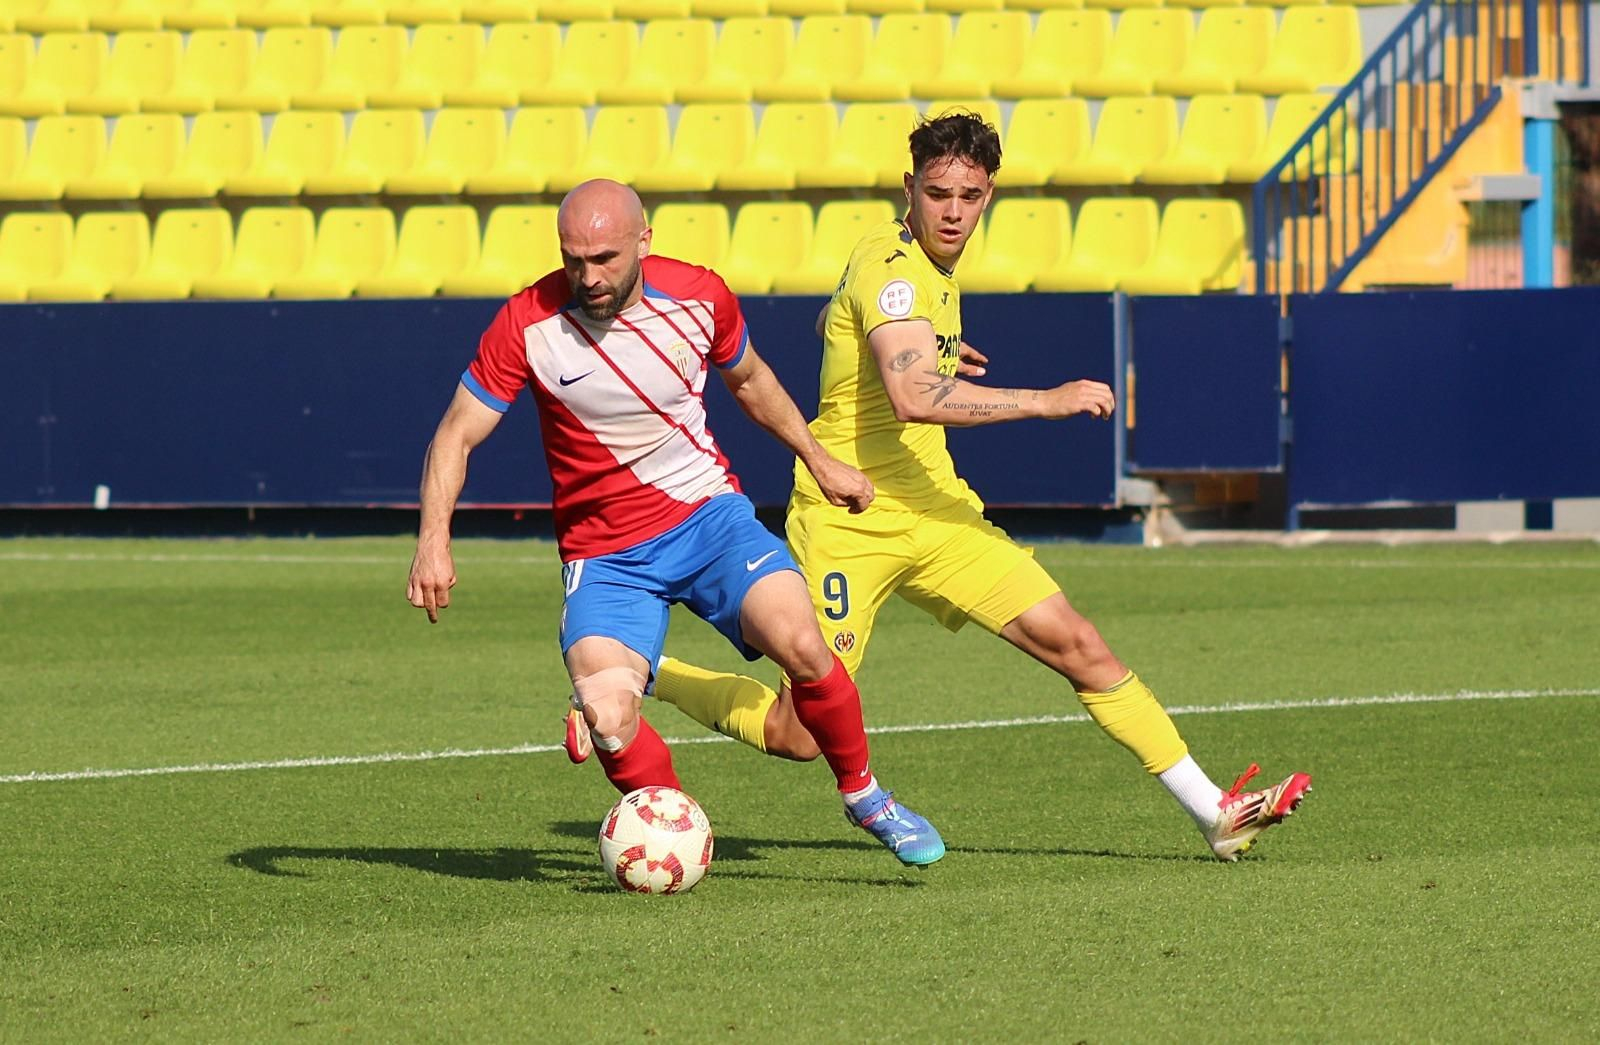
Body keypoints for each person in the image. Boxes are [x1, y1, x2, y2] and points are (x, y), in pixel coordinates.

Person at [632, 114, 1312, 862]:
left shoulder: (912, 274)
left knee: (1077, 641)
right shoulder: (895, 274)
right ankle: (653, 672)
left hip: (938, 509)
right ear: (909, 189)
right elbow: (915, 399)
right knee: (800, 733)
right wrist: (1039, 399)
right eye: (937, 194)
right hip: (849, 519)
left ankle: (1213, 810)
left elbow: (840, 316)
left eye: (970, 196)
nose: (953, 212)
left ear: (988, 194)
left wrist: (928, 347)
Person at [406, 179, 945, 867]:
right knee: (606, 714)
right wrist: (432, 542)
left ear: (643, 241)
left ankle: (866, 796)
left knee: (804, 645)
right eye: (574, 259)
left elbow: (750, 381)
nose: (587, 276)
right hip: (606, 554)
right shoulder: (527, 324)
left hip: (708, 520)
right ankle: (672, 838)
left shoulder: (698, 296)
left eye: (603, 258)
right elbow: (455, 435)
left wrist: (820, 459)